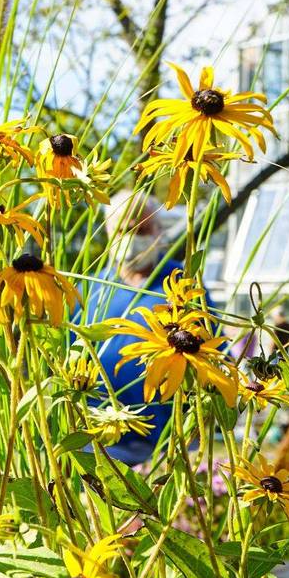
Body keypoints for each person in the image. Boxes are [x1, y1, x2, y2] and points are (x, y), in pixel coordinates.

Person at [77, 190, 206, 465]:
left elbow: (209, 353)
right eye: (123, 230)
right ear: (109, 234)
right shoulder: (89, 289)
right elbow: (67, 356)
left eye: (142, 230)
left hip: (166, 445)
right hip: (98, 439)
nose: (132, 240)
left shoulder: (183, 286)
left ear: (159, 232)